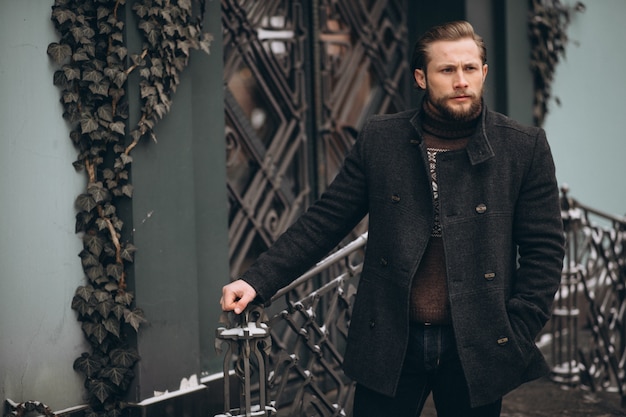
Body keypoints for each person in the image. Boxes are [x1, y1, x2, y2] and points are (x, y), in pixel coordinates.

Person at [221, 20, 565, 417]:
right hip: (392, 339)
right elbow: (326, 218)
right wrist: (257, 279)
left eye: (470, 69)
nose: (461, 81)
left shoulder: (522, 146)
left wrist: (517, 328)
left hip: (478, 339)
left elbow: (545, 249)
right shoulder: (382, 138)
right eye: (446, 70)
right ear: (421, 77)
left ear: (484, 72)